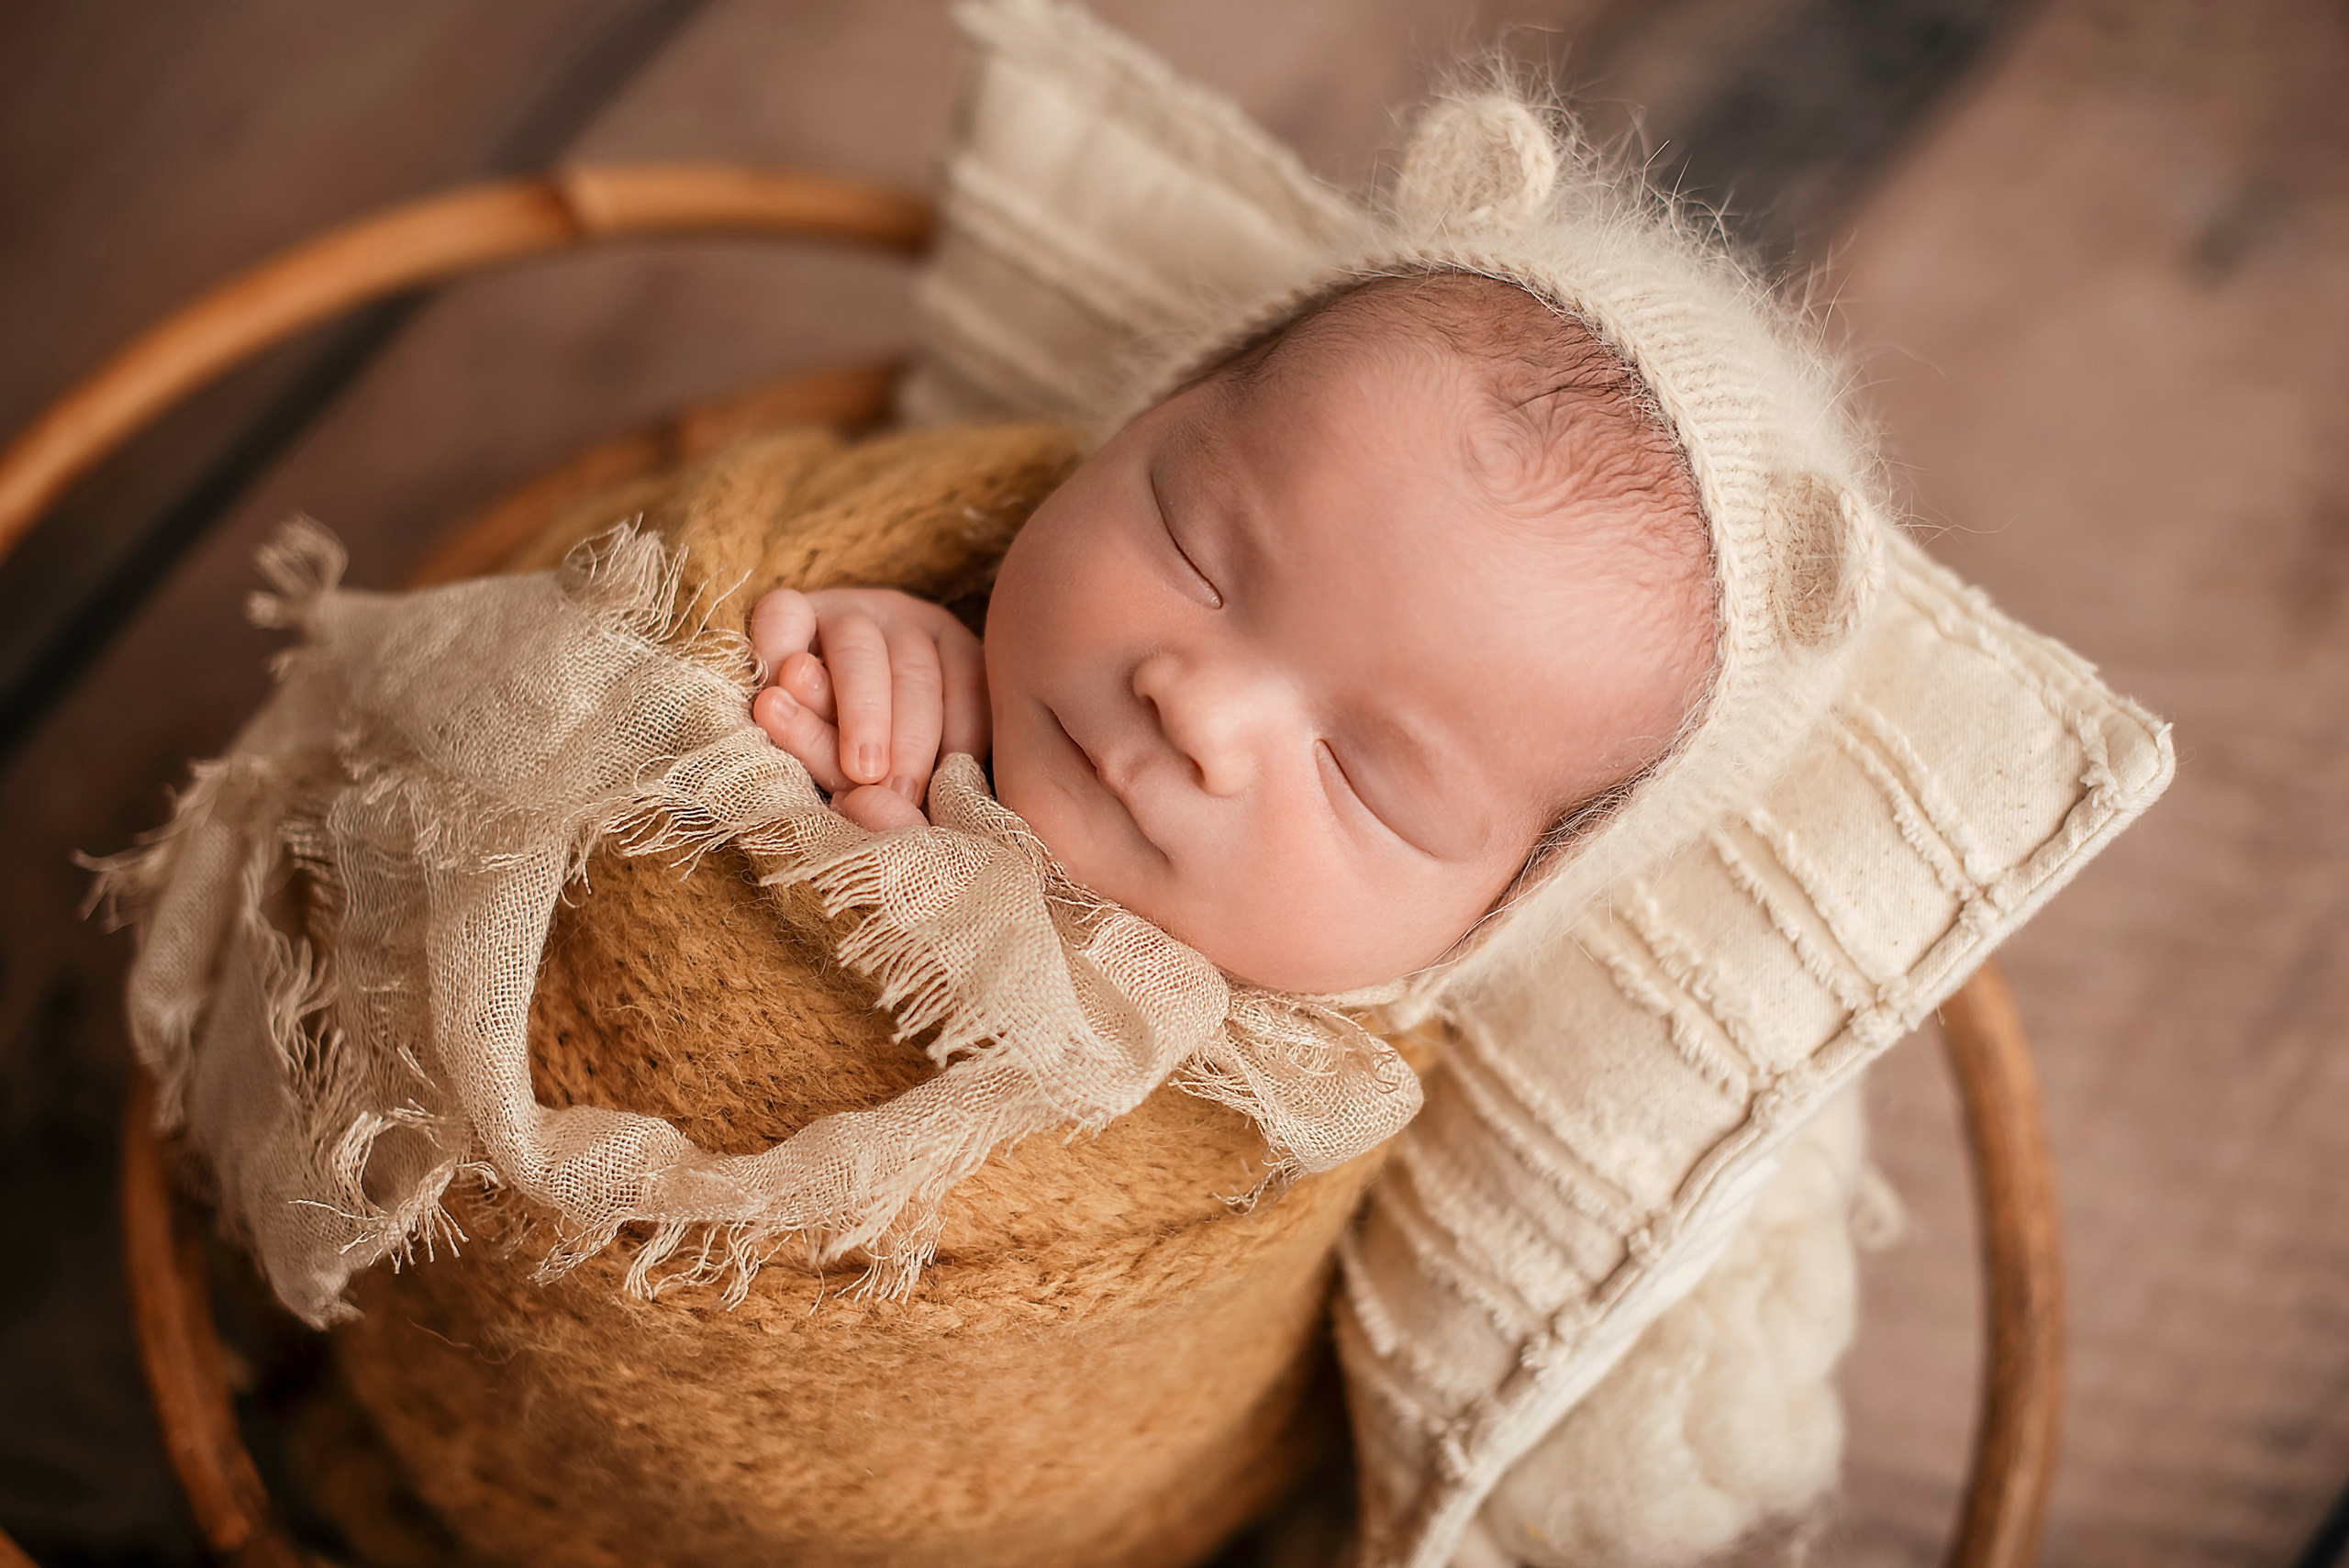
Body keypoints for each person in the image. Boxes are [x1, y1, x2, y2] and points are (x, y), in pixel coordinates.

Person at [749, 272, 1717, 995]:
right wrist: (813, 646)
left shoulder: (1297, 1102)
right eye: (1193, 553)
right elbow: (700, 572)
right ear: (1136, 427)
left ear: (1495, 911)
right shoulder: (934, 612)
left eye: (1363, 778)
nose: (1197, 713)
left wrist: (969, 985)